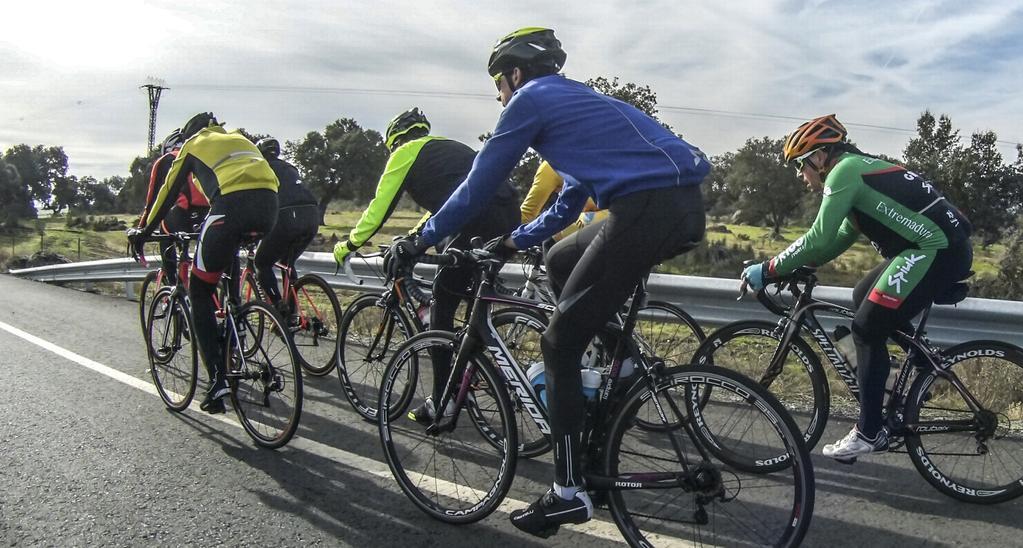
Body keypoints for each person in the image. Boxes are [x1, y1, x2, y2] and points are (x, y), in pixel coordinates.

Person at [391, 27, 708, 537]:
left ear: (514, 74)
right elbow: (569, 200)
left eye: (499, 84)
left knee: (558, 343)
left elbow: (478, 186)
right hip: (675, 205)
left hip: (648, 208)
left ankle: (568, 493)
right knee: (562, 259)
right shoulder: (576, 101)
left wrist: (419, 239)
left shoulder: (532, 99)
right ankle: (622, 363)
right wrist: (516, 240)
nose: (499, 95)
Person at [740, 114, 973, 461]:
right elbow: (836, 240)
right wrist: (805, 265)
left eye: (801, 165)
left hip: (934, 250)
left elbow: (818, 236)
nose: (800, 175)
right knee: (862, 295)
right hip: (932, 248)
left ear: (820, 157)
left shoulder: (843, 172)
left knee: (865, 328)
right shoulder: (855, 170)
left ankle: (869, 431)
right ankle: (925, 365)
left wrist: (770, 268)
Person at [335, 107, 520, 405]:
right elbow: (439, 211)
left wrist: (348, 245)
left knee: (442, 305)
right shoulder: (448, 148)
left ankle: (441, 400)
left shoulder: (404, 152)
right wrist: (413, 239)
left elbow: (377, 211)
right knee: (473, 300)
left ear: (394, 140)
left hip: (478, 218)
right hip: (508, 213)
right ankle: (477, 367)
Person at [129, 112, 279, 414]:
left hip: (230, 208)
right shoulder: (239, 137)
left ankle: (217, 381)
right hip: (270, 206)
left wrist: (144, 232)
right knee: (227, 277)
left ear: (188, 135)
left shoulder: (193, 144)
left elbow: (167, 193)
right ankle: (234, 331)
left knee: (198, 290)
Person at [252, 136, 319, 322]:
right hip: (312, 215)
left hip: (287, 216)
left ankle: (279, 308)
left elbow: (259, 202)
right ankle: (292, 311)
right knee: (287, 263)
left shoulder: (261, 169)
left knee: (262, 264)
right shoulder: (290, 168)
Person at [135, 128, 210, 284]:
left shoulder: (167, 160)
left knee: (166, 237)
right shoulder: (202, 156)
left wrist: (142, 229)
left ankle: (172, 288)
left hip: (180, 215)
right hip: (208, 215)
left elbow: (153, 201)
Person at [519, 160, 608, 241]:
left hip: (611, 211)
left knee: (556, 232)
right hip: (608, 208)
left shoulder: (549, 167)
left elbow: (527, 212)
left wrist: (513, 239)